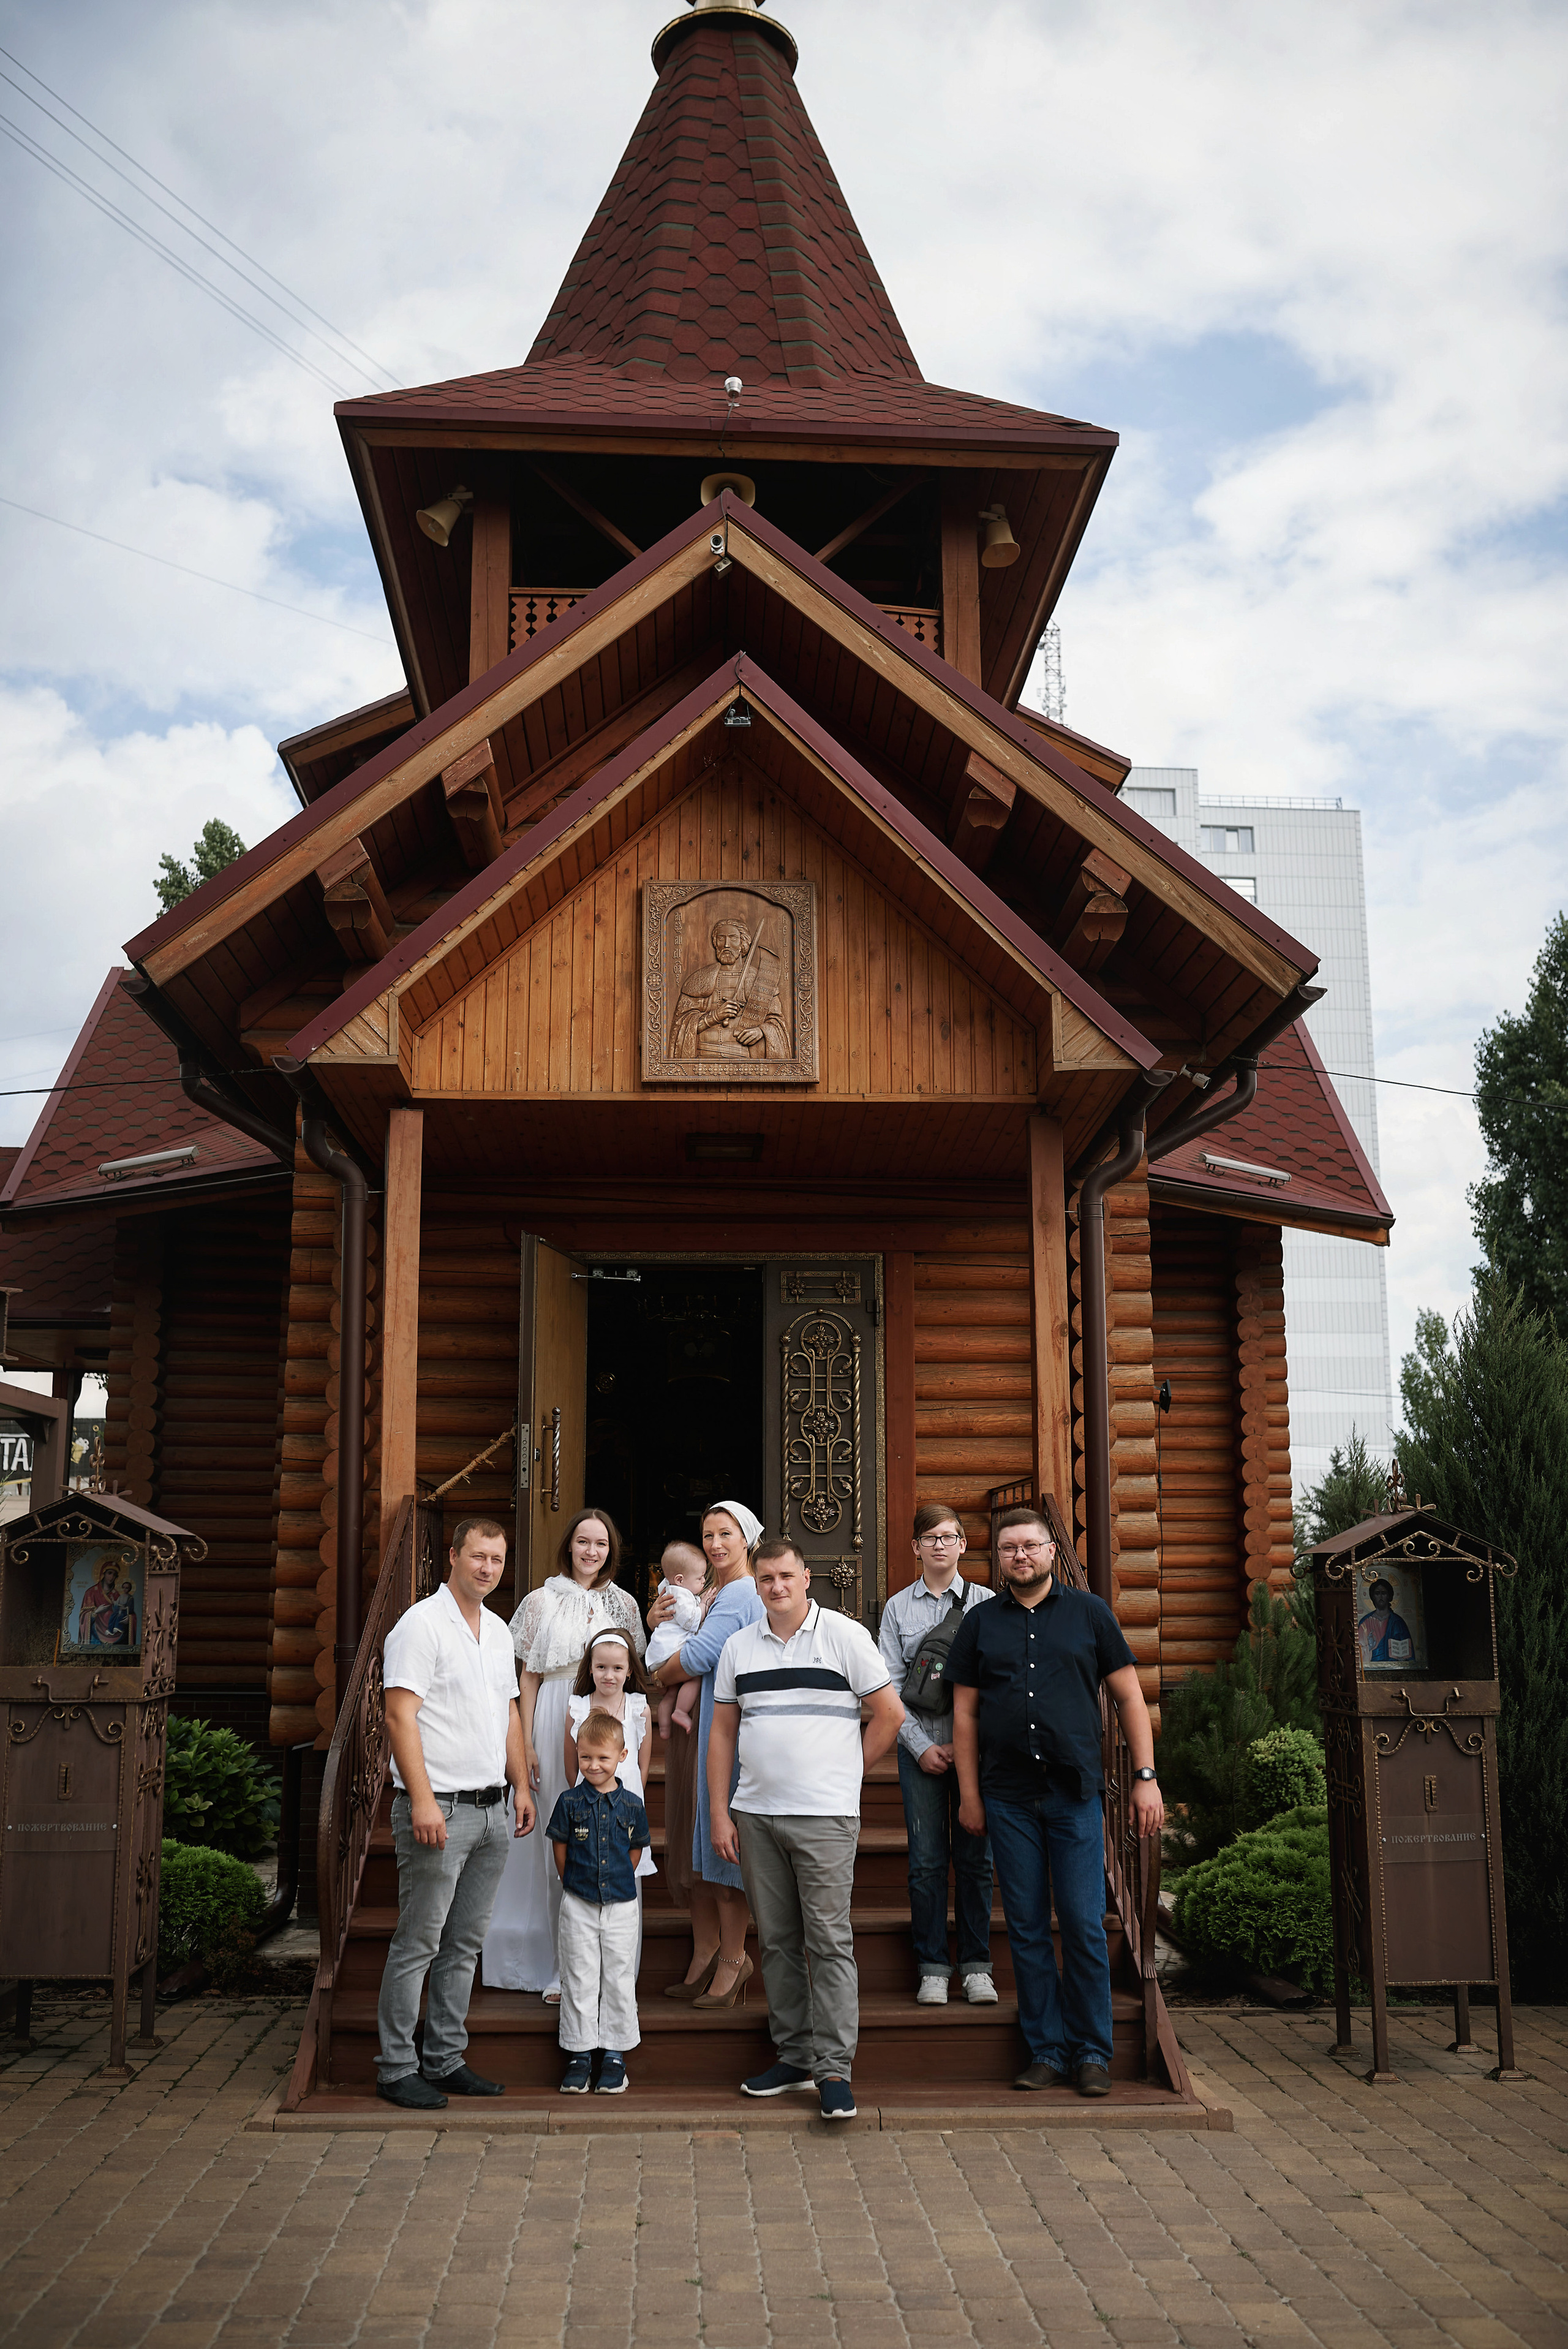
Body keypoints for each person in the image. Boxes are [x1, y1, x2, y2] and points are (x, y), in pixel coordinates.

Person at [946, 1505, 1163, 2099]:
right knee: (1026, 1929)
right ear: (999, 1559)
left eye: (1030, 1545)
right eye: (1009, 1548)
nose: (1020, 1555)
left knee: (1084, 1924)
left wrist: (1145, 1776)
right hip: (1007, 1799)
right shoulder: (979, 1624)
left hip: (1073, 1797)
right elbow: (963, 1714)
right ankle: (1045, 2049)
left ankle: (1092, 2053)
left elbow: (1129, 1699)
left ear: (1050, 1553)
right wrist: (969, 1793)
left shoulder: (1091, 1616)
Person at [709, 1537, 905, 2121]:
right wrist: (721, 1811)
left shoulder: (845, 1636)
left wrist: (846, 1772)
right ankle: (793, 2057)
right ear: (757, 1582)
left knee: (828, 1941)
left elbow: (890, 1713)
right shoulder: (739, 1646)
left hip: (824, 1815)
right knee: (776, 1943)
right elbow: (722, 1734)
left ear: (806, 1577)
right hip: (756, 1814)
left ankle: (834, 2070)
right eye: (766, 1578)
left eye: (786, 1576)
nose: (776, 1587)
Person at [377, 1516, 536, 2111]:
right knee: (420, 1939)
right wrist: (420, 1799)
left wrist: (520, 1786)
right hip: (439, 1810)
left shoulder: (496, 1631)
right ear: (454, 1556)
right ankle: (395, 2067)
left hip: (493, 1809)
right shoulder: (421, 1625)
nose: (487, 1568)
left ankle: (443, 2059)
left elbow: (509, 1715)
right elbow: (399, 1716)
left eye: (496, 1559)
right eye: (478, 1557)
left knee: (464, 1943)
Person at [481, 1507, 645, 2000]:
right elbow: (527, 1677)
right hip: (553, 1714)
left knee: (610, 1834)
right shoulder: (540, 1601)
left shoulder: (625, 1606)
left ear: (611, 1550)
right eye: (582, 1542)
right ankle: (552, 1963)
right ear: (568, 1546)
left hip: (607, 1719)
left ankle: (608, 1967)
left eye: (600, 1543)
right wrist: (525, 1741)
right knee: (562, 1832)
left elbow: (634, 1674)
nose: (591, 1552)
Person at [646, 1500, 767, 2008]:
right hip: (702, 1726)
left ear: (748, 1538)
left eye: (726, 1534)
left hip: (724, 1729)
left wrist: (656, 1675)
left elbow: (699, 1655)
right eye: (708, 1535)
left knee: (719, 1850)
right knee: (695, 1845)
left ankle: (734, 1961)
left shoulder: (741, 1592)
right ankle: (706, 1952)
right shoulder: (714, 1589)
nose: (716, 1544)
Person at [876, 1500, 997, 2006]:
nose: (941, 1545)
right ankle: (932, 1965)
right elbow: (888, 1685)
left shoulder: (989, 1604)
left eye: (949, 1537)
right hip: (918, 1750)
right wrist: (924, 1747)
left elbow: (1001, 1683)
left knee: (976, 1859)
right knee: (926, 1863)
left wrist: (965, 1744)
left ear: (963, 1545)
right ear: (915, 1548)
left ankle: (975, 1966)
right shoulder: (897, 1609)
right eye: (931, 1538)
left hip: (976, 1752)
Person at [547, 1708, 650, 2095]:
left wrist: (617, 1876)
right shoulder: (569, 1802)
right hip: (579, 1901)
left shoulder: (632, 1805)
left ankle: (614, 2054)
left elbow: (637, 1849)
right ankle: (579, 2053)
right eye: (586, 1757)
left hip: (622, 1903)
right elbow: (561, 1845)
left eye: (603, 1758)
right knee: (579, 1974)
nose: (593, 1765)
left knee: (619, 1975)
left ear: (622, 1756)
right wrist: (571, 1879)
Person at [563, 1628, 656, 1887]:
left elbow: (642, 1765)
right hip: (587, 1809)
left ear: (629, 1671)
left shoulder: (639, 1709)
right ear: (590, 1668)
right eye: (601, 1667)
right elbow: (571, 1767)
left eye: (617, 1668)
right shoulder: (578, 1708)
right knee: (589, 1872)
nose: (608, 1675)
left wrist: (629, 1800)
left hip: (626, 1808)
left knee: (625, 1876)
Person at [668, 917, 790, 1062]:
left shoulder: (761, 981)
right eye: (721, 938)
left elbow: (777, 1023)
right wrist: (715, 1016)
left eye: (733, 938)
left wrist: (761, 1031)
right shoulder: (700, 980)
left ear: (742, 943)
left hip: (745, 1063)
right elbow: (681, 1026)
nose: (726, 945)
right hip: (703, 1061)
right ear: (715, 943)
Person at [644, 1541, 706, 1738]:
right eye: (700, 1578)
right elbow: (691, 1621)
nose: (704, 1581)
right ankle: (680, 1711)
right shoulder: (681, 1595)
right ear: (680, 1579)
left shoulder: (670, 1588)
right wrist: (704, 1604)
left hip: (659, 1655)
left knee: (671, 1693)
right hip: (670, 1651)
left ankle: (663, 1730)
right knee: (695, 1677)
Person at [1357, 1578, 1414, 1665]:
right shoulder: (1365, 1623)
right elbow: (1359, 1655)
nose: (1380, 1597)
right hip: (1372, 1670)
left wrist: (1404, 1659)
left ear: (1389, 1596)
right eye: (1377, 1594)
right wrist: (1369, 1647)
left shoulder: (1398, 1622)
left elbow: (1408, 1653)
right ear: (1373, 1597)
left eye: (1383, 1593)